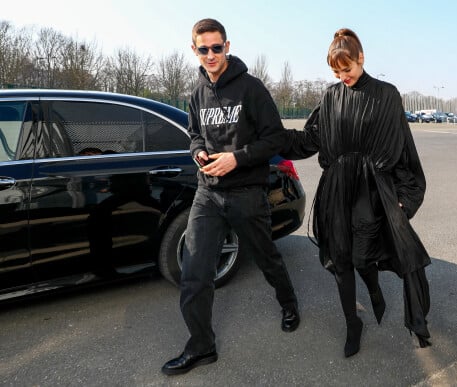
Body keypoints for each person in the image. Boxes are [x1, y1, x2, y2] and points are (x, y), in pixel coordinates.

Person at [161, 18, 300, 376]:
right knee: (193, 273)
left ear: (227, 46)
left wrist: (236, 157)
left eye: (216, 47)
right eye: (203, 48)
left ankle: (288, 303)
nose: (210, 54)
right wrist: (198, 153)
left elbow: (276, 139)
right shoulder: (195, 94)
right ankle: (201, 346)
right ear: (194, 50)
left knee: (267, 257)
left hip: (246, 192)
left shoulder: (251, 89)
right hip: (207, 194)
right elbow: (193, 135)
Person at [282, 28, 432, 357]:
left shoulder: (386, 95)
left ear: (361, 58)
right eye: (336, 72)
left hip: (371, 192)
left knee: (364, 256)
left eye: (347, 69)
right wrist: (272, 136)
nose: (343, 77)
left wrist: (407, 195)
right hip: (336, 189)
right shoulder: (330, 97)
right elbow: (309, 140)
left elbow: (403, 148)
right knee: (340, 261)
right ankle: (353, 323)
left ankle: (375, 290)